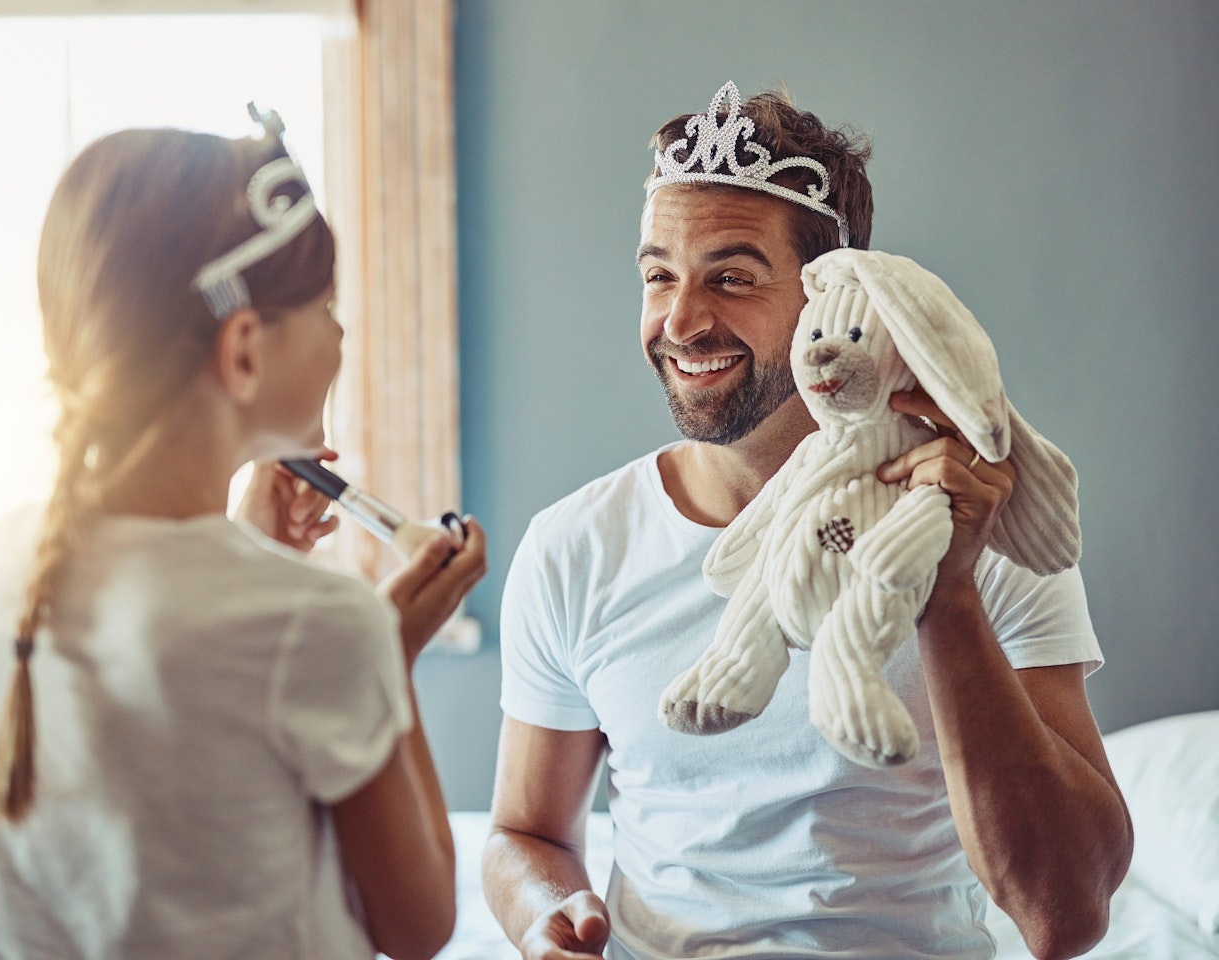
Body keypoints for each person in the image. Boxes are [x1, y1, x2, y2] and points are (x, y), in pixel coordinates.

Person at [481, 82, 1132, 960]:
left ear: (836, 294)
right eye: (658, 276)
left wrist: (945, 592)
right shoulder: (573, 547)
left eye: (733, 278)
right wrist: (545, 918)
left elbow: (1067, 916)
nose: (680, 320)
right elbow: (527, 834)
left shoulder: (990, 528)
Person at [0, 114, 486, 960]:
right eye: (325, 309)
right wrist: (391, 648)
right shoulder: (322, 623)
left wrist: (250, 548)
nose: (341, 336)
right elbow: (420, 925)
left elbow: (173, 761)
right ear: (243, 351)